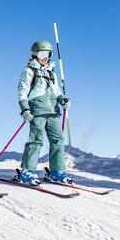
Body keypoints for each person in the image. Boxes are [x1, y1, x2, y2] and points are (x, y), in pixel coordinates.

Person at [17, 40, 71, 185]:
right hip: (38, 111)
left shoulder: (52, 74)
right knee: (36, 140)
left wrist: (63, 99)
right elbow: (22, 92)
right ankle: (28, 171)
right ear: (35, 54)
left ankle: (57, 171)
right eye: (42, 53)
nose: (45, 57)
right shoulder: (29, 71)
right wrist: (25, 109)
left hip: (53, 111)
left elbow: (57, 92)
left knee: (58, 139)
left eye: (48, 54)